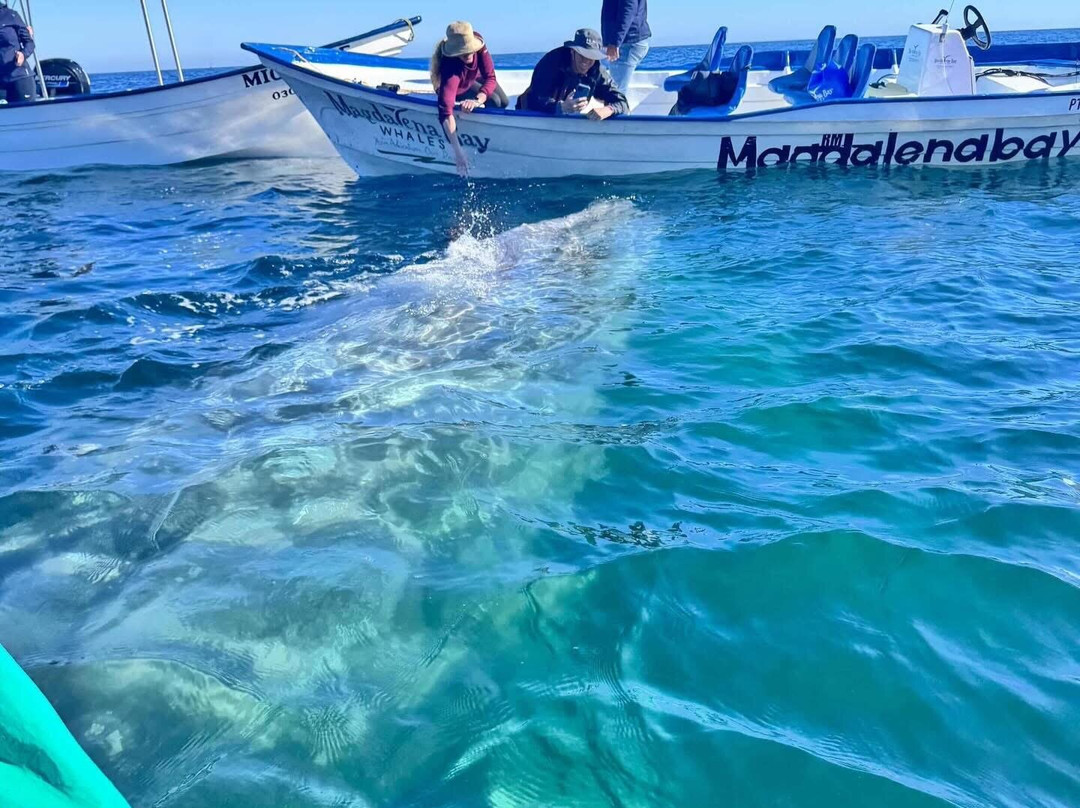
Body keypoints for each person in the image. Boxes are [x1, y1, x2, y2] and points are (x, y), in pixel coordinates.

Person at [430, 21, 508, 176]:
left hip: (473, 78)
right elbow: (445, 112)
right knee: (494, 100)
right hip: (460, 86)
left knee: (503, 101)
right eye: (463, 53)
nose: (468, 54)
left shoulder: (479, 45)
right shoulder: (451, 69)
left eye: (470, 50)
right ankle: (483, 141)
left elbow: (490, 77)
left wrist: (478, 100)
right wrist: (458, 152)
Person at [516, 28, 628, 120]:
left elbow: (622, 102)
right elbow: (535, 99)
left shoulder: (597, 71)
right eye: (582, 55)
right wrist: (561, 107)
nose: (585, 61)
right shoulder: (551, 62)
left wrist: (608, 109)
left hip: (567, 119)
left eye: (591, 57)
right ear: (572, 51)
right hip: (533, 115)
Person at [602, 0, 651, 95]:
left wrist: (615, 42)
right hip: (627, 41)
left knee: (616, 93)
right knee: (615, 89)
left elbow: (629, 9)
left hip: (628, 43)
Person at [0, 0, 36, 104]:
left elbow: (29, 43)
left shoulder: (11, 15)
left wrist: (23, 55)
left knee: (26, 116)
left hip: (19, 78)